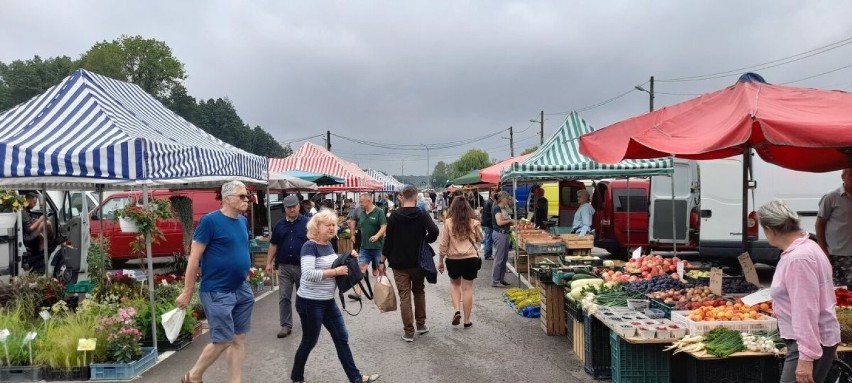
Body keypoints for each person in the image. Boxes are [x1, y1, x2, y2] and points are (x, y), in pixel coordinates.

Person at [290, 209, 380, 383]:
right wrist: (335, 271)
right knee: (309, 341)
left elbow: (332, 261)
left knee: (341, 337)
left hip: (327, 301)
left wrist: (346, 256)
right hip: (310, 302)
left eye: (334, 225)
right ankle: (297, 377)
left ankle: (356, 378)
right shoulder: (310, 246)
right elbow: (307, 274)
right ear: (317, 227)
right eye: (328, 225)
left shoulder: (329, 245)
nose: (332, 228)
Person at [177, 181, 254, 383]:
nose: (247, 200)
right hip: (217, 291)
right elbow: (194, 258)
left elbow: (238, 249)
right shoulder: (210, 221)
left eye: (247, 196)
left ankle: (235, 381)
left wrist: (243, 269)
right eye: (242, 196)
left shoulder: (242, 221)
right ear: (227, 198)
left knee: (239, 338)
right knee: (223, 339)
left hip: (241, 287)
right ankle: (194, 376)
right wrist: (187, 291)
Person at [759, 200, 840, 383]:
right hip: (818, 339)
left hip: (807, 342)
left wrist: (806, 357)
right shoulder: (809, 247)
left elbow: (805, 310)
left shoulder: (798, 258)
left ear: (769, 229)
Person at [382, 185, 439, 342]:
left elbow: (389, 240)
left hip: (398, 262)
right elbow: (434, 231)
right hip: (418, 261)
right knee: (419, 291)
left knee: (404, 296)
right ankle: (421, 324)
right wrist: (424, 240)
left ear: (402, 197)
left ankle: (408, 331)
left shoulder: (394, 216)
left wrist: (382, 260)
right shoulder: (421, 214)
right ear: (415, 197)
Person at [265, 195, 308, 339]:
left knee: (304, 297)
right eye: (289, 207)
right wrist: (268, 262)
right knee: (284, 297)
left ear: (298, 206)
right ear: (285, 209)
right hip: (284, 267)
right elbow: (273, 244)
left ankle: (308, 322)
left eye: (294, 206)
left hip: (303, 267)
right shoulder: (279, 225)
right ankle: (285, 325)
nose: (292, 209)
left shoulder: (307, 223)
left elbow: (315, 242)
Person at [437, 197, 483, 328]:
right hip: (470, 258)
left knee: (454, 285)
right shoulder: (474, 222)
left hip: (453, 260)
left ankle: (456, 310)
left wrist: (440, 261)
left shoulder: (448, 223)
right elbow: (480, 238)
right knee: (467, 289)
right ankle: (467, 320)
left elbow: (443, 244)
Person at [816, 168, 852, 286]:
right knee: (838, 291)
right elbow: (820, 224)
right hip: (837, 254)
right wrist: (823, 251)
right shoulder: (831, 197)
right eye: (851, 175)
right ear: (843, 177)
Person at [350, 193, 386, 300]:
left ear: (369, 201)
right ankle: (358, 293)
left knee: (381, 270)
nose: (360, 204)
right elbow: (354, 223)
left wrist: (377, 235)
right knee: (361, 268)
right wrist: (352, 234)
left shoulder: (379, 212)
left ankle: (383, 292)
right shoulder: (362, 213)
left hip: (378, 248)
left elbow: (384, 227)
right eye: (359, 202)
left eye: (362, 202)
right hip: (364, 247)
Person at [491, 191, 514, 288]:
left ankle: (501, 279)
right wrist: (510, 221)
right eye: (507, 198)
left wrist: (510, 224)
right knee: (499, 258)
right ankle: (495, 280)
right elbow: (499, 222)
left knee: (504, 258)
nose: (508, 200)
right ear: (502, 199)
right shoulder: (496, 208)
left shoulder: (503, 208)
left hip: (504, 233)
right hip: (499, 234)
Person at [480, 191, 496, 260]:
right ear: (493, 196)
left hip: (486, 223)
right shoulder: (491, 203)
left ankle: (487, 254)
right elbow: (492, 213)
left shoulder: (487, 201)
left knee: (487, 238)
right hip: (489, 223)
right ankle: (488, 254)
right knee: (489, 239)